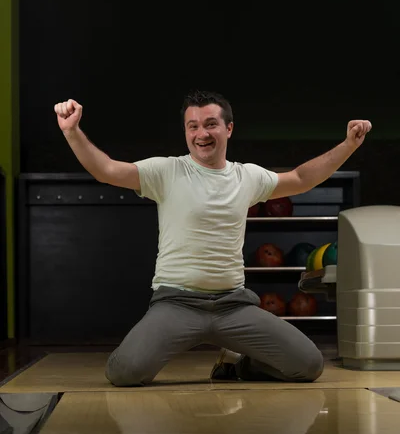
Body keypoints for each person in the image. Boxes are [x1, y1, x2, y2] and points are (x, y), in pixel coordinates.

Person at [54, 90, 372, 386]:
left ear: (228, 128)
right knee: (123, 373)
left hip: (233, 306)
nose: (201, 134)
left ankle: (240, 365)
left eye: (210, 124)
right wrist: (72, 132)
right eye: (192, 126)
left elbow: (301, 178)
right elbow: (106, 169)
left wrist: (349, 145)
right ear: (186, 132)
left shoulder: (247, 176)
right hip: (176, 303)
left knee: (308, 365)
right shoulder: (166, 172)